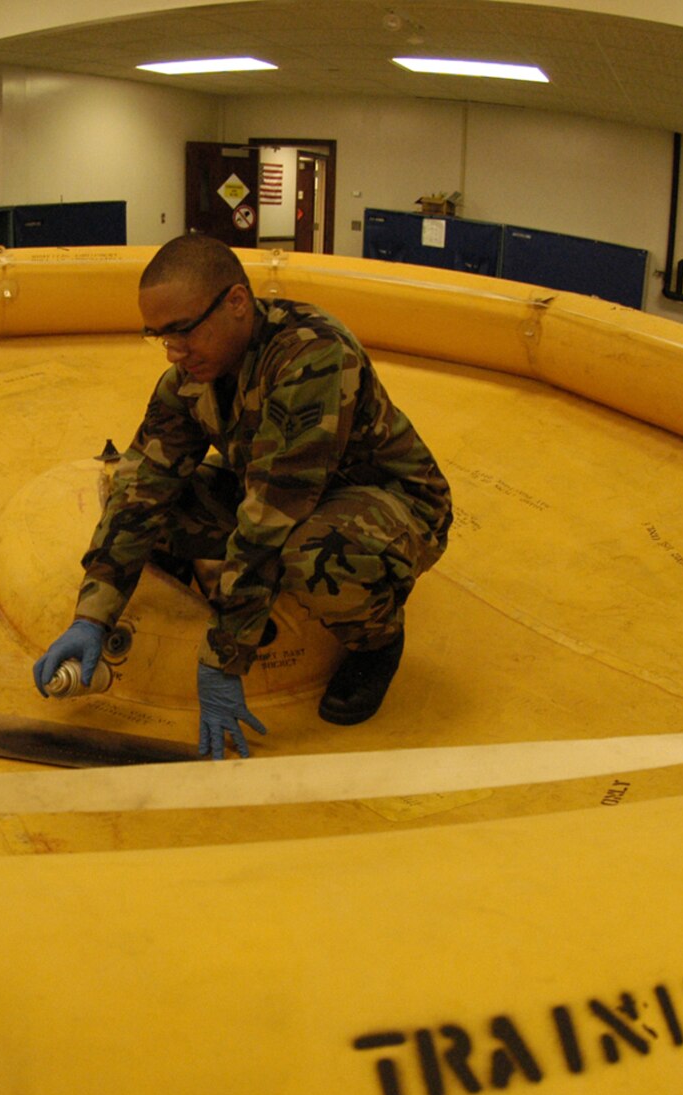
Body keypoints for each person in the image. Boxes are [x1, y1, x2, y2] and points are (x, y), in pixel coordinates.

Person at [33, 235, 453, 759]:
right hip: (281, 490)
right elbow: (142, 490)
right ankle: (237, 587)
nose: (173, 351)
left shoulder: (312, 357)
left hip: (384, 501)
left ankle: (378, 639)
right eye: (159, 335)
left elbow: (270, 518)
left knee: (315, 556)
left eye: (182, 330)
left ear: (235, 302)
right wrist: (92, 616)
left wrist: (221, 661)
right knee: (145, 502)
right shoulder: (187, 380)